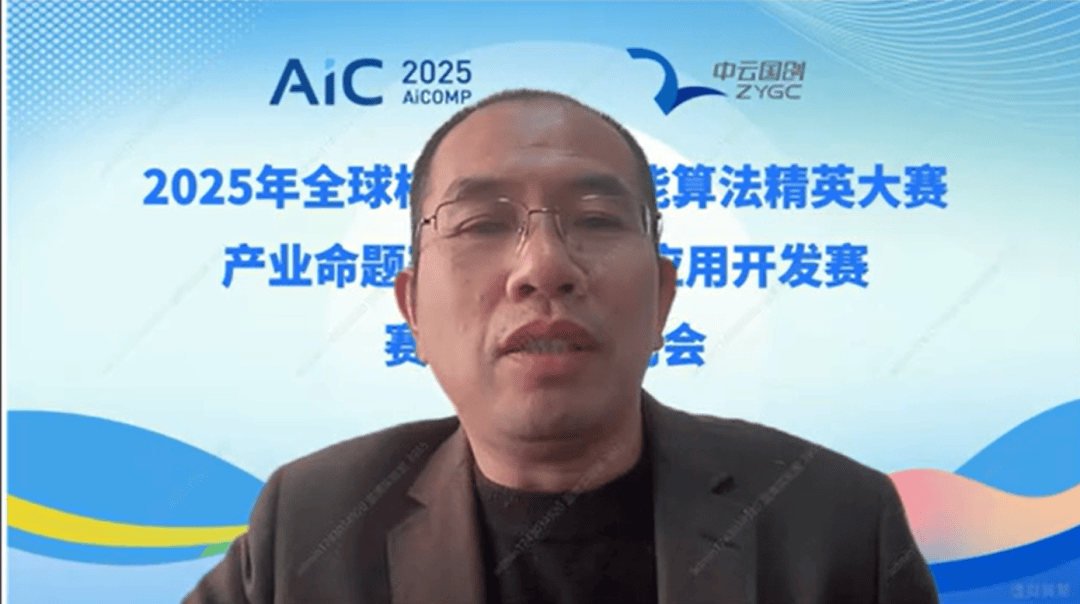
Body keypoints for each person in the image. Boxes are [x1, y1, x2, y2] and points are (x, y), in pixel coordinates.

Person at [184, 89, 938, 603]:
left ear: (663, 299)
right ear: (412, 309)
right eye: (482, 224)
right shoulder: (310, 523)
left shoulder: (835, 523)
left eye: (598, 220)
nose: (543, 267)